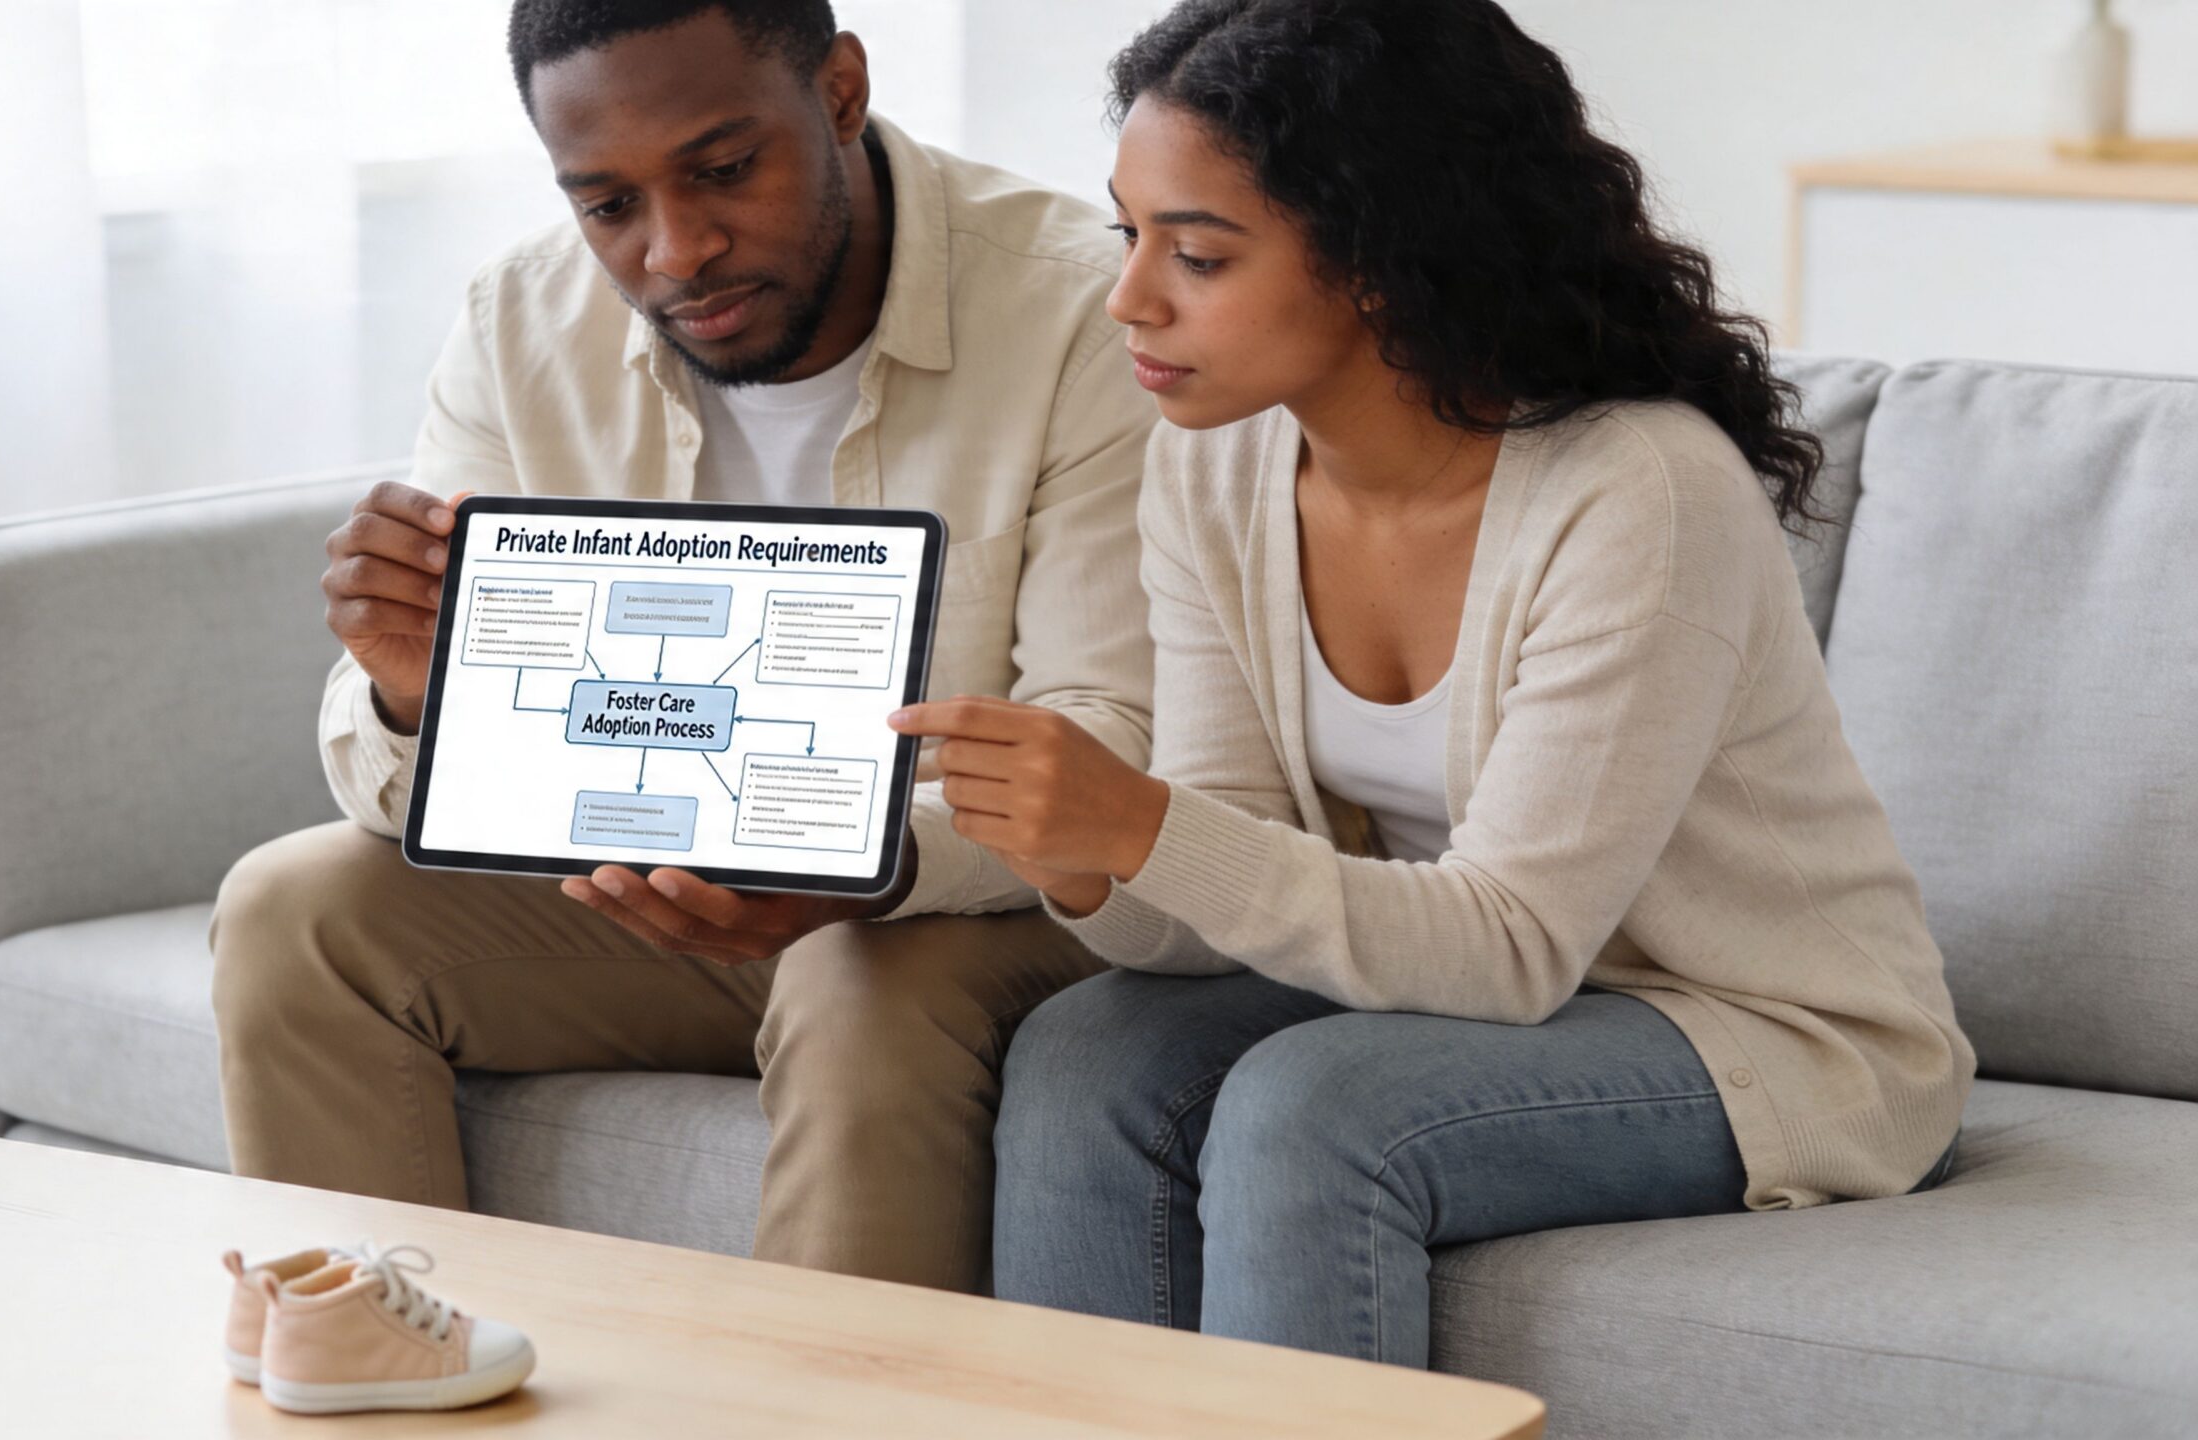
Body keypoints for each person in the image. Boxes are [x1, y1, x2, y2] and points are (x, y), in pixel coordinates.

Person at [888, 0, 1974, 1362]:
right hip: (1474, 996)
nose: (1131, 298)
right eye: (1130, 235)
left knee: (1315, 1106)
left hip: (1768, 1033)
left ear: (1382, 262)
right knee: (1086, 1052)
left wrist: (1145, 826)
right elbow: (1230, 879)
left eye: (1200, 254)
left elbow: (1511, 945)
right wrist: (1089, 857)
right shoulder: (1213, 463)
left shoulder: (1641, 493)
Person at [208, 0, 1158, 1296]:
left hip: (976, 902)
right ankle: (374, 1353)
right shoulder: (519, 320)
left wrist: (859, 868)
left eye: (724, 170)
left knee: (851, 975)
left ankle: (822, 1392)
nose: (675, 251)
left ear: (839, 93)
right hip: (669, 896)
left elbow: (1114, 742)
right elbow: (390, 784)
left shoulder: (1080, 309)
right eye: (608, 205)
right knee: (293, 911)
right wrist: (421, 700)